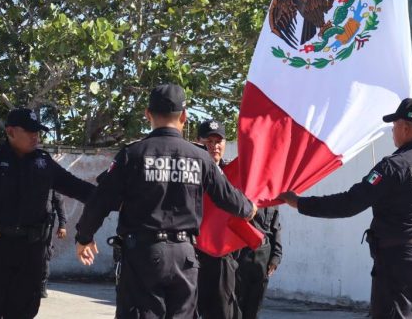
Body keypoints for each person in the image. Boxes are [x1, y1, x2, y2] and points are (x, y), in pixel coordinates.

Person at [75, 84, 257, 319]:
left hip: (143, 255)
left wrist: (84, 236)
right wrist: (248, 208)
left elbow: (99, 201)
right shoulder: (200, 157)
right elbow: (227, 196)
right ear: (184, 116)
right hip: (185, 257)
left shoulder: (133, 154)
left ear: (147, 114)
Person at [278, 98, 412, 319]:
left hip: (400, 260)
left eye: (394, 125)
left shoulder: (394, 165)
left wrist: (299, 203)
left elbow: (349, 203)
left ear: (405, 127)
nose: (392, 131)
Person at [0, 108, 96, 319]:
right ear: (10, 131)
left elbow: (78, 188)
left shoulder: (44, 162)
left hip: (30, 252)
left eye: (37, 131)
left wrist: (114, 200)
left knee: (23, 311)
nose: (35, 136)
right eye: (29, 131)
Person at [195, 119, 242, 319]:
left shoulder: (232, 174)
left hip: (222, 257)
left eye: (218, 141)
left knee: (223, 311)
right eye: (209, 141)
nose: (214, 146)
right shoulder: (189, 172)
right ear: (199, 142)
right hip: (192, 253)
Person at [235, 204, 282, 319]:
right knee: (237, 306)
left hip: (263, 256)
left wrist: (276, 256)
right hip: (241, 254)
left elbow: (276, 228)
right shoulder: (245, 196)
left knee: (254, 308)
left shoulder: (273, 200)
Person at [40, 190, 67, 298]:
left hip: (44, 226)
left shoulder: (50, 182)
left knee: (44, 253)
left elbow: (59, 202)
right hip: (22, 226)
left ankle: (42, 286)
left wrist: (62, 225)